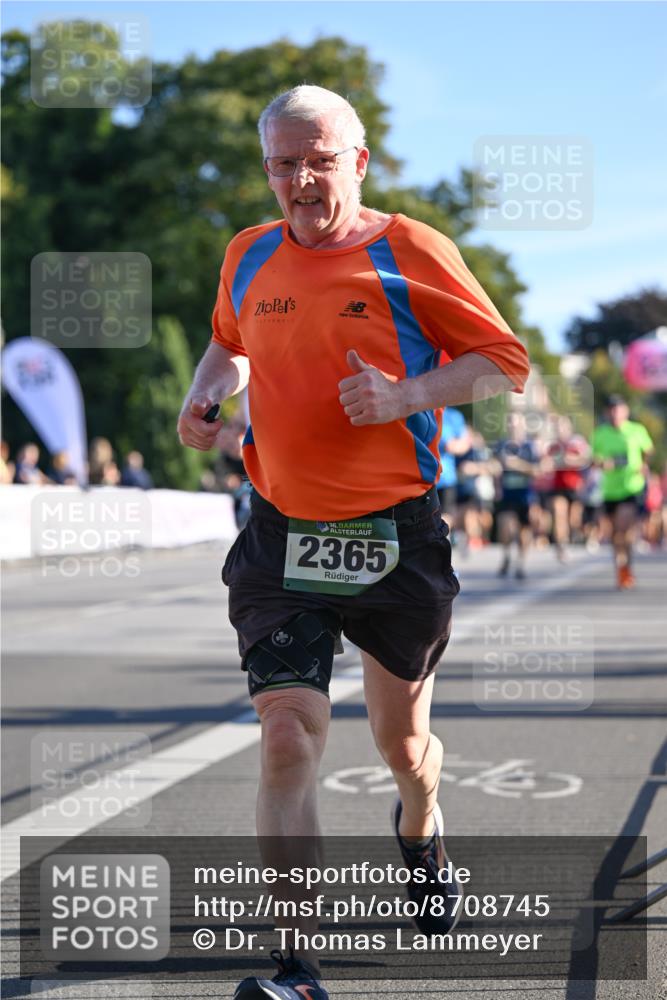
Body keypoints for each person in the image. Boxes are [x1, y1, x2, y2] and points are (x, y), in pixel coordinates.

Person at [177, 85, 529, 1000]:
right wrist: (206, 392)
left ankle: (420, 830)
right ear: (267, 170)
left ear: (357, 163)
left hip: (394, 539)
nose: (300, 179)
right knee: (288, 735)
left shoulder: (410, 249)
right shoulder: (247, 254)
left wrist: (405, 396)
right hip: (281, 532)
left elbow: (505, 362)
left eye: (319, 160)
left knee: (402, 744)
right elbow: (229, 342)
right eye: (283, 163)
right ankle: (295, 966)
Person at [591, 395, 654, 589]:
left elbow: (648, 450)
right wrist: (603, 463)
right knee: (615, 535)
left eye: (618, 409)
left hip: (631, 487)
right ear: (606, 412)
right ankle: (621, 565)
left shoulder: (637, 430)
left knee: (624, 528)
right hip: (610, 490)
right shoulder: (599, 433)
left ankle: (626, 565)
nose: (614, 413)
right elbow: (593, 460)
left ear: (625, 411)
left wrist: (643, 465)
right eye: (611, 409)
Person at [493, 411, 540, 579]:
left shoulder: (529, 446)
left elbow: (536, 471)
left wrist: (516, 464)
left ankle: (521, 563)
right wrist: (497, 486)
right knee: (505, 526)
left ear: (522, 425)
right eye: (510, 423)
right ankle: (506, 556)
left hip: (525, 494)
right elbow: (495, 467)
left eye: (516, 423)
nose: (513, 426)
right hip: (507, 493)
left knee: (524, 530)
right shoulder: (501, 445)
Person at [545, 415, 590, 562]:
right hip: (558, 487)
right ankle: (561, 546)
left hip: (575, 486)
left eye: (563, 427)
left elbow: (586, 459)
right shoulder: (553, 446)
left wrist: (568, 460)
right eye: (558, 428)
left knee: (573, 520)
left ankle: (574, 536)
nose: (560, 430)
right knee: (559, 514)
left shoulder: (577, 442)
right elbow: (546, 463)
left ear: (569, 428)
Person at [435, 405, 471, 538]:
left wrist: (454, 446)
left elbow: (464, 443)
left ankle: (439, 540)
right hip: (424, 478)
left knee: (446, 515)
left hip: (446, 478)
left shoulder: (454, 416)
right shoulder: (422, 410)